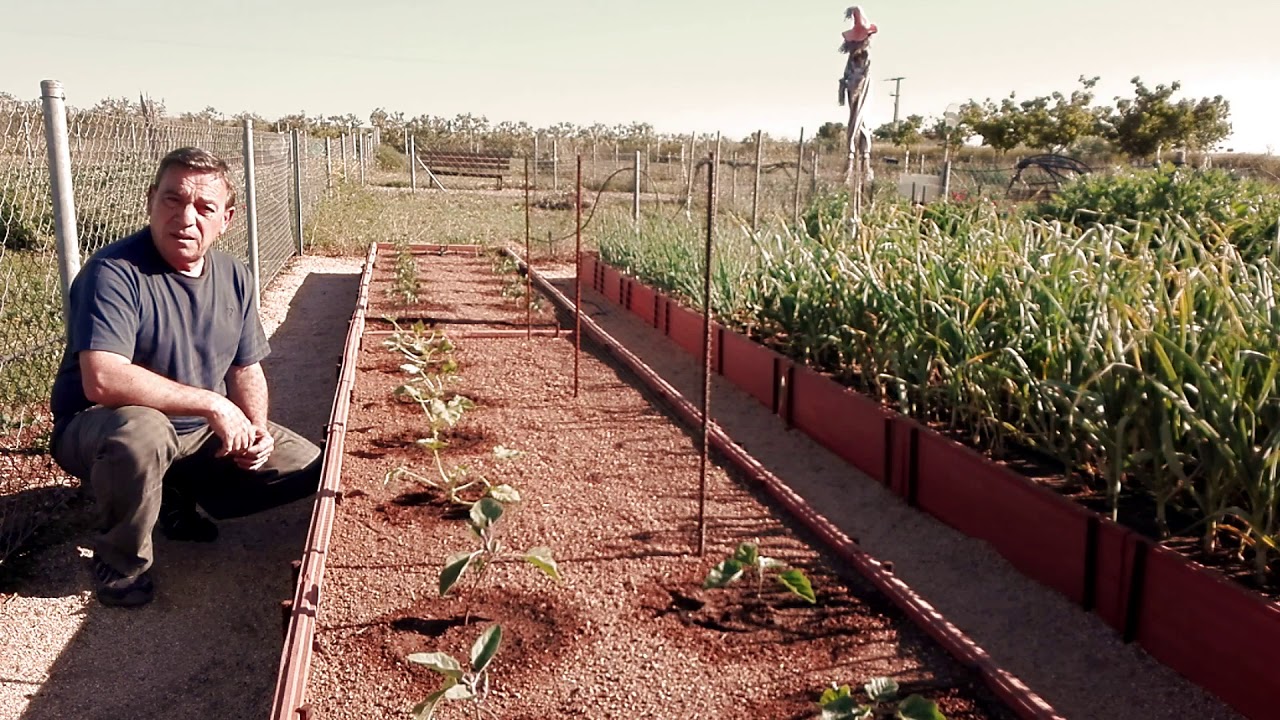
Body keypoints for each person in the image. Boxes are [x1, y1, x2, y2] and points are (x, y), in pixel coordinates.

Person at [49, 147, 322, 608]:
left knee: (315, 469)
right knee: (143, 431)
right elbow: (103, 379)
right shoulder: (114, 272)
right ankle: (120, 562)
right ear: (151, 200)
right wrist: (214, 404)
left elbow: (245, 366)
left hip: (194, 434)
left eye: (204, 207)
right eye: (172, 200)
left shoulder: (235, 275)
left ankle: (176, 492)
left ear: (226, 219)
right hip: (101, 427)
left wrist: (254, 430)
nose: (185, 217)